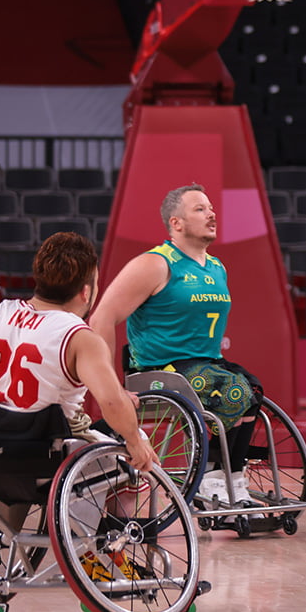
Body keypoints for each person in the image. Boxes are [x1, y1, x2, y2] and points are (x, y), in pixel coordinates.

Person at [88, 184, 256, 505]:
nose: (211, 213)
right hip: (159, 369)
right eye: (200, 209)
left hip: (206, 364)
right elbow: (101, 319)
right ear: (176, 223)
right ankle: (211, 477)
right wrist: (111, 385)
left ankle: (230, 476)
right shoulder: (155, 264)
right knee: (235, 391)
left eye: (211, 208)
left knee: (252, 390)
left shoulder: (217, 267)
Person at [0, 231, 157, 475]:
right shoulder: (81, 338)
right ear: (86, 292)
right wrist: (134, 441)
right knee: (136, 446)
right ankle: (117, 513)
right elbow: (111, 402)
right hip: (51, 456)